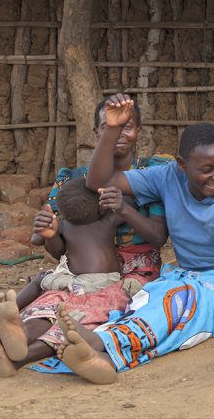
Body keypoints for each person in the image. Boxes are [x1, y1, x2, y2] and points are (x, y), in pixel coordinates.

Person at [49, 94, 214, 384]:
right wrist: (114, 129)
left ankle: (104, 350)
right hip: (185, 275)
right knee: (148, 302)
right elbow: (98, 182)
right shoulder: (166, 176)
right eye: (207, 169)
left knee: (182, 307)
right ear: (182, 165)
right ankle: (102, 351)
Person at [0, 182, 165, 377]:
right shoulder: (107, 222)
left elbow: (37, 240)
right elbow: (129, 203)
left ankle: (10, 337)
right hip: (101, 286)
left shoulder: (63, 223)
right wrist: (112, 198)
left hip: (66, 281)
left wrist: (50, 228)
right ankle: (21, 356)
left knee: (47, 309)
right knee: (70, 325)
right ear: (100, 206)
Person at [31, 98, 171, 298]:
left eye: (127, 127)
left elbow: (158, 236)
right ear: (96, 132)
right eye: (108, 127)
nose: (118, 133)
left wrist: (124, 209)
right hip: (83, 271)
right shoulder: (71, 180)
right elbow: (59, 250)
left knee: (114, 306)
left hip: (138, 269)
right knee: (54, 303)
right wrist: (51, 235)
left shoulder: (152, 173)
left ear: (138, 131)